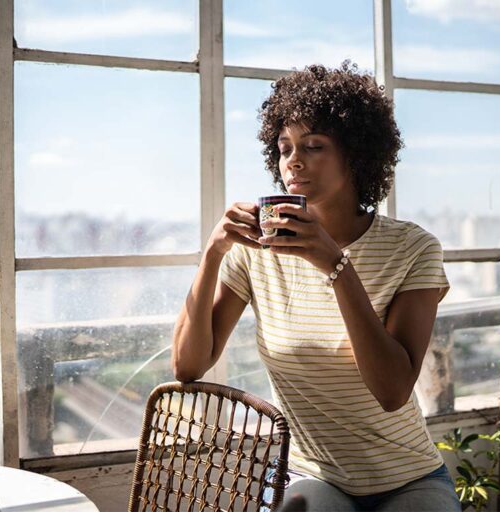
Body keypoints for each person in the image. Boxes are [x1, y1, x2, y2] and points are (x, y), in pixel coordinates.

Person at [171, 61, 460, 511]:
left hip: (408, 476)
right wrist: (212, 255)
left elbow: (392, 390)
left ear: (357, 154)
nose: (294, 161)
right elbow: (188, 365)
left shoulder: (413, 248)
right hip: (309, 473)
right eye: (284, 147)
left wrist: (336, 265)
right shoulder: (256, 251)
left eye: (314, 145)